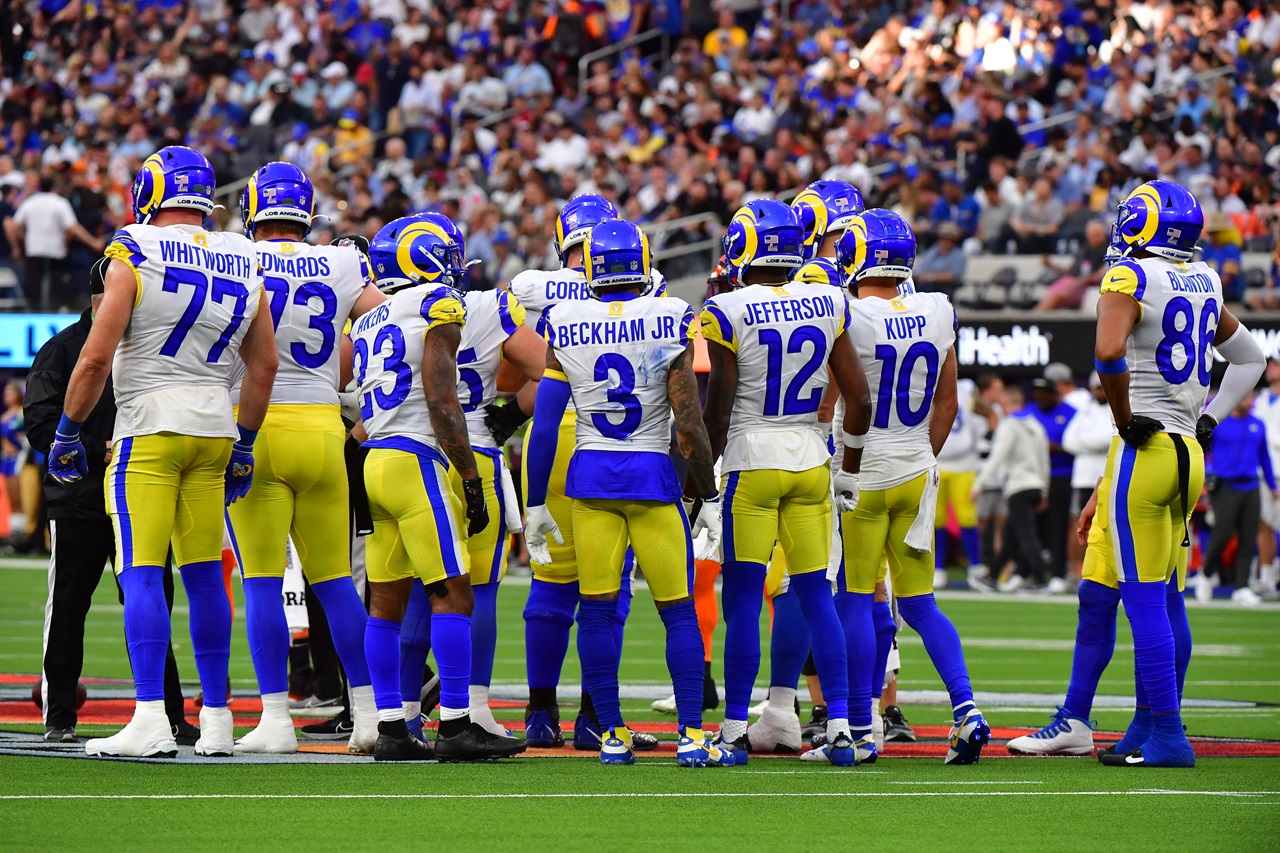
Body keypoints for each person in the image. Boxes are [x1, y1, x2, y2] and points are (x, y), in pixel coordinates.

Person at [48, 146, 278, 758]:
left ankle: (151, 715)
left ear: (150, 192)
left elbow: (95, 357)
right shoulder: (242, 254)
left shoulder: (133, 248)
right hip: (213, 428)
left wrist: (69, 430)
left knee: (142, 569)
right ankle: (220, 719)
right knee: (205, 573)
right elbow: (265, 364)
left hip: (149, 424)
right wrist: (247, 441)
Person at [523, 219, 728, 768]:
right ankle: (690, 733)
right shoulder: (670, 316)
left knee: (594, 610)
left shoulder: (563, 321)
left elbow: (544, 427)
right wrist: (707, 494)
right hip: (652, 480)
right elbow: (689, 421)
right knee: (679, 612)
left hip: (590, 481)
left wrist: (537, 501)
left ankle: (610, 733)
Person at [1090, 180, 1264, 767]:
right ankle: (1147, 726)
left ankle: (1168, 734)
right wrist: (1211, 415)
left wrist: (1123, 417)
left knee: (1142, 601)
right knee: (1167, 598)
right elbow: (1252, 359)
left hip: (1148, 450)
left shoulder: (1128, 277)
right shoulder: (1206, 279)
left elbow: (1109, 350)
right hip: (1189, 450)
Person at [700, 199, 872, 766]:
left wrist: (703, 478)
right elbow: (859, 397)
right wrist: (847, 469)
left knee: (745, 600)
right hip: (810, 459)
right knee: (817, 596)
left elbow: (718, 409)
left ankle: (730, 732)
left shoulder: (726, 309)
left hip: (751, 456)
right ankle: (843, 728)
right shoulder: (828, 299)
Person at [351, 215, 527, 763]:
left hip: (373, 458)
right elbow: (441, 399)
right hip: (416, 458)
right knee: (453, 591)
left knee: (385, 604)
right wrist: (471, 476)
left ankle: (392, 727)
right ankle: (456, 723)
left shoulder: (368, 319)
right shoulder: (439, 305)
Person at [226, 163, 387, 755]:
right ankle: (370, 714)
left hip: (257, 426)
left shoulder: (234, 256)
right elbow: (381, 321)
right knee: (337, 583)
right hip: (323, 427)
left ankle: (275, 718)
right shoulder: (343, 262)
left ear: (253, 210)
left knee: (263, 582)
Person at [831, 208, 990, 766]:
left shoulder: (846, 312)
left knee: (855, 599)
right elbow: (947, 400)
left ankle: (858, 726)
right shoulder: (937, 308)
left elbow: (839, 400)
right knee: (920, 603)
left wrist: (847, 464)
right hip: (918, 466)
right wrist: (920, 456)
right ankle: (966, 707)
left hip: (864, 468)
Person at [24, 257, 197, 745]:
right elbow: (38, 421)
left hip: (141, 492)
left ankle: (169, 715)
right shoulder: (62, 349)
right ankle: (59, 715)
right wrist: (97, 449)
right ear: (102, 296)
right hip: (79, 500)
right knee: (68, 607)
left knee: (152, 602)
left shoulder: (146, 342)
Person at [393, 213, 546, 740]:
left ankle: (403, 714)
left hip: (411, 455)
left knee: (418, 590)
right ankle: (471, 707)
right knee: (475, 591)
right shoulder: (488, 304)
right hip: (472, 451)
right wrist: (512, 412)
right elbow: (548, 367)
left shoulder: (382, 312)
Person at [508, 195, 650, 752]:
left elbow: (508, 379)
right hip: (617, 441)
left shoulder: (529, 289)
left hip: (552, 435)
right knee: (607, 588)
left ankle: (540, 713)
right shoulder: (650, 287)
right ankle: (597, 716)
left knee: (549, 579)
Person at [1197, 394, 1273, 607]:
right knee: (1222, 534)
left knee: (1249, 536)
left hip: (1251, 485)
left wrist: (1272, 486)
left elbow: (1264, 457)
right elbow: (1203, 450)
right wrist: (1205, 473)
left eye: (1251, 396)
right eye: (1245, 395)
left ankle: (1242, 587)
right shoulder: (1220, 423)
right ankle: (1206, 575)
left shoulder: (1258, 425)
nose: (1249, 400)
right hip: (1225, 485)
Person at [973, 384, 1050, 592]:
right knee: (1011, 536)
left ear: (1006, 403)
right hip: (1035, 486)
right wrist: (1044, 489)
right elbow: (1044, 461)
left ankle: (1041, 579)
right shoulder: (1036, 426)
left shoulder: (1009, 426)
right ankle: (991, 576)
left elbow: (997, 457)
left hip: (1018, 486)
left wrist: (979, 485)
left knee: (1026, 535)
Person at [4, 174, 104, 309]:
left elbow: (13, 226)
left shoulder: (30, 202)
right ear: (55, 187)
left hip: (34, 249)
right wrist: (93, 242)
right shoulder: (60, 202)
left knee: (35, 288)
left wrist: (21, 241)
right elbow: (73, 228)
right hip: (55, 251)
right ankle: (53, 311)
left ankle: (35, 313)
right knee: (55, 288)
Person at [934, 384, 989, 592]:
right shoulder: (927, 382)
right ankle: (938, 568)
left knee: (967, 517)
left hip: (964, 464)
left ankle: (975, 566)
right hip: (936, 462)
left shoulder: (966, 388)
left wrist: (982, 444)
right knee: (935, 519)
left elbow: (990, 415)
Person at [1028, 374, 1077, 591]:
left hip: (1061, 473)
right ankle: (1031, 572)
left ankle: (1059, 572)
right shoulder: (1028, 413)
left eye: (1044, 393)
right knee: (1030, 526)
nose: (1040, 397)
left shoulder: (1071, 413)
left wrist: (1056, 447)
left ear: (1054, 394)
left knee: (1058, 525)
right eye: (1037, 393)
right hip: (1034, 475)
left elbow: (1077, 442)